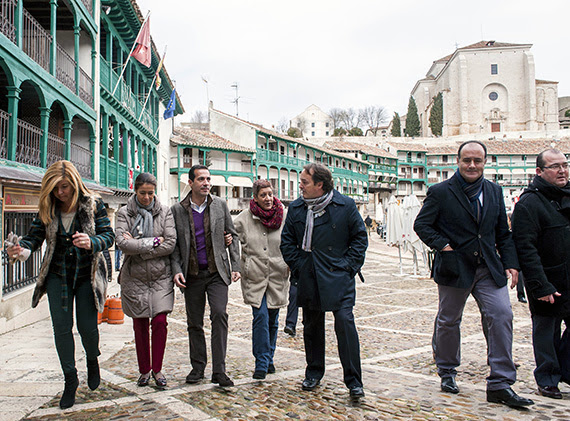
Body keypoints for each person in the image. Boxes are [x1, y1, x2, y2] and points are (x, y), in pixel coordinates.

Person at [414, 140, 533, 408]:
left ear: (484, 163)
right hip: (454, 267)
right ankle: (447, 371)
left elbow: (503, 232)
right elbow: (422, 224)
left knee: (501, 315)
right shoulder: (440, 192)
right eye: (467, 160)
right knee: (448, 320)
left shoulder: (494, 190)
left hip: (488, 267)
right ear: (458, 161)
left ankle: (501, 383)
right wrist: (443, 245)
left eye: (477, 161)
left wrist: (511, 263)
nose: (472, 165)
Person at [5, 161, 114, 409]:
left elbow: (109, 236)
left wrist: (91, 241)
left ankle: (92, 359)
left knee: (88, 327)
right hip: (57, 274)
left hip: (87, 273)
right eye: (55, 188)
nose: (60, 192)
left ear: (74, 183)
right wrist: (20, 248)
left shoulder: (92, 203)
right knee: (61, 329)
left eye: (64, 187)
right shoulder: (48, 206)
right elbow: (34, 238)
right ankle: (70, 380)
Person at [280, 163, 368, 399]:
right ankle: (314, 372)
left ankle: (354, 381)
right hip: (309, 275)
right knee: (312, 327)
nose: (300, 185)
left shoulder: (345, 205)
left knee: (345, 325)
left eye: (304, 182)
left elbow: (359, 239)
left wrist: (348, 266)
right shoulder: (297, 208)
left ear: (320, 185)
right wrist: (300, 265)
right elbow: (287, 241)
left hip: (338, 276)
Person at [171, 165, 241, 387]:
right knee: (194, 322)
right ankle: (198, 367)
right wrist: (176, 270)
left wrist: (235, 264)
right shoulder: (177, 210)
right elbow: (174, 247)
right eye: (201, 179)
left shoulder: (220, 205)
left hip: (217, 272)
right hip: (192, 274)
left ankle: (219, 371)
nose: (206, 183)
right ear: (190, 182)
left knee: (220, 315)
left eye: (208, 179)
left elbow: (233, 234)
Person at [511, 148, 570, 399]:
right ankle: (547, 378)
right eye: (555, 166)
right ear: (539, 171)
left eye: (565, 165)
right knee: (546, 332)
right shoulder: (529, 203)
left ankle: (565, 369)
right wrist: (540, 285)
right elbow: (525, 249)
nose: (562, 170)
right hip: (547, 280)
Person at [115, 173, 177, 388]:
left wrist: (139, 247)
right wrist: (153, 243)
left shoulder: (165, 212)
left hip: (161, 276)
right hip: (135, 277)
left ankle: (158, 370)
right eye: (143, 193)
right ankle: (144, 370)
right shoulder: (124, 213)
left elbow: (170, 243)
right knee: (139, 323)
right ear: (135, 191)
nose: (147, 198)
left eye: (151, 193)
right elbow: (122, 243)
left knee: (160, 322)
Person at [234, 179, 289, 379]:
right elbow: (230, 237)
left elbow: (292, 241)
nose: (267, 198)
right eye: (263, 195)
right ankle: (261, 362)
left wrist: (290, 262)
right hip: (255, 276)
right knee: (261, 317)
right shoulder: (243, 219)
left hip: (277, 274)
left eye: (270, 194)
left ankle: (269, 358)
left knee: (273, 319)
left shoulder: (284, 216)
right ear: (255, 198)